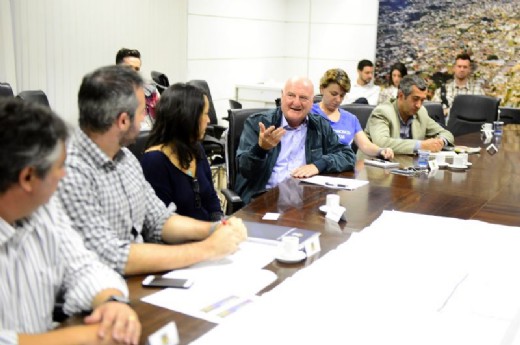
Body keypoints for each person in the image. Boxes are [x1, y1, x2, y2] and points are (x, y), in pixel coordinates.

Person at [57, 65, 247, 276]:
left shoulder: (125, 158)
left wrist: (215, 229)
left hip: (137, 278)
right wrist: (207, 249)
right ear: (123, 120)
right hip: (106, 288)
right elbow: (111, 256)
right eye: (142, 113)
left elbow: (160, 220)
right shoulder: (70, 171)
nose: (145, 120)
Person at [0, 99, 141, 345]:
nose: (64, 174)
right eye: (59, 167)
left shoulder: (44, 209)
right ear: (28, 177)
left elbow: (82, 265)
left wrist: (112, 302)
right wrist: (93, 336)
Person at [235, 76, 356, 204]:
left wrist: (319, 165)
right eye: (291, 95)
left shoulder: (320, 126)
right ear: (282, 96)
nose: (296, 103)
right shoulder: (259, 123)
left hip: (305, 201)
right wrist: (261, 149)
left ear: (312, 101)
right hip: (263, 199)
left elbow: (348, 156)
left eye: (303, 98)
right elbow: (244, 169)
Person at [141, 83, 223, 221]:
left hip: (208, 233)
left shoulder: (196, 148)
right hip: (181, 239)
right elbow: (163, 222)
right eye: (205, 114)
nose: (209, 120)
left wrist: (220, 223)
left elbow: (211, 199)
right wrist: (210, 231)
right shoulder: (154, 161)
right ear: (188, 118)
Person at [311, 68, 393, 159]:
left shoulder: (350, 119)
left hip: (343, 169)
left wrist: (381, 151)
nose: (338, 100)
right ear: (322, 89)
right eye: (333, 94)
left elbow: (366, 145)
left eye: (342, 95)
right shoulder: (308, 113)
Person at [364, 75, 454, 155]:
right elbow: (381, 143)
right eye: (415, 99)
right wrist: (420, 145)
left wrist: (439, 142)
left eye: (422, 100)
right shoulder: (382, 112)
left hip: (407, 166)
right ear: (401, 96)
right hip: (374, 168)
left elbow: (446, 134)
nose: (419, 105)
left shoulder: (421, 112)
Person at [116, 47, 159, 129]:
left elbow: (161, 120)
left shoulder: (150, 91)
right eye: (129, 68)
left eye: (137, 69)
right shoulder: (109, 94)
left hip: (148, 138)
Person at [432, 53, 485, 119]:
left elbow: (483, 113)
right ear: (454, 68)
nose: (462, 70)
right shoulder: (441, 91)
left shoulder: (478, 91)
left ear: (469, 69)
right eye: (459, 66)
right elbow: (433, 113)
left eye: (465, 67)